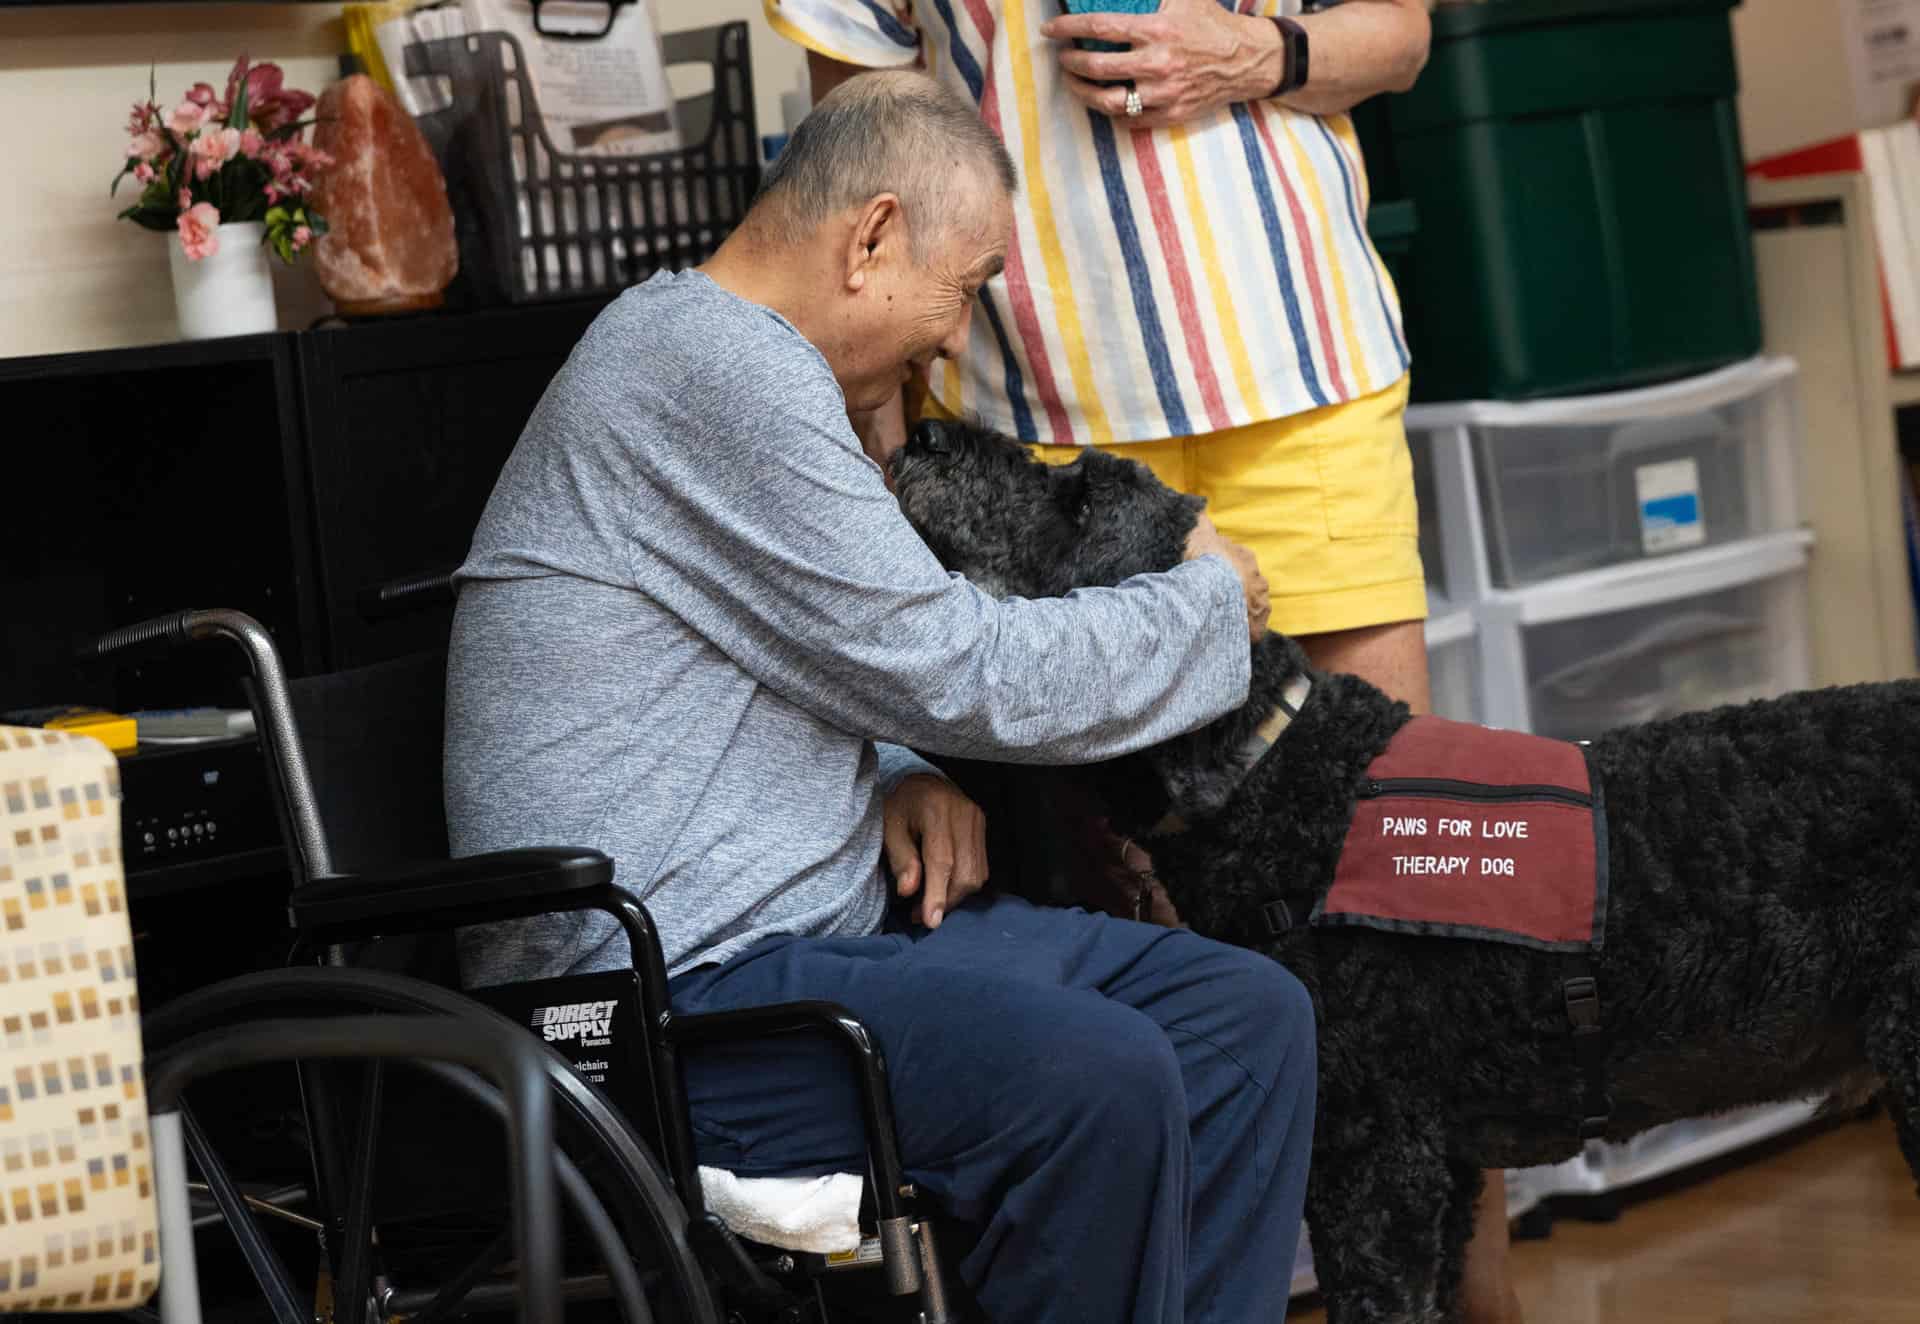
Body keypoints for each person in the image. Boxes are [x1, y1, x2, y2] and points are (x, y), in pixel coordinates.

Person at [446, 71, 1315, 1324]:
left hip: (816, 945)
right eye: (962, 289)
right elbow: (961, 668)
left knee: (1245, 1019)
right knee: (1098, 1073)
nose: (957, 337)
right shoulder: (707, 368)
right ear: (871, 238)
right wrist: (1207, 600)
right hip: (664, 1004)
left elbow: (818, 651)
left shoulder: (750, 365)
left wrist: (898, 770)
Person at [765, 2, 1523, 1318]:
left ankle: (1478, 1309)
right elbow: (861, 142)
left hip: (1301, 388)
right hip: (1035, 451)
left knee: (1409, 911)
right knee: (1131, 937)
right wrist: (876, 437)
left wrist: (1259, 53)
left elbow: (1395, 37)